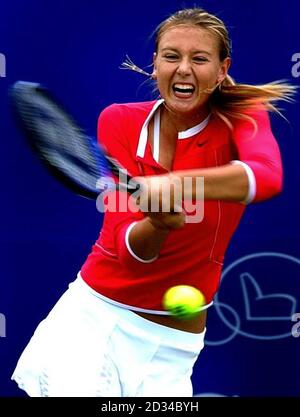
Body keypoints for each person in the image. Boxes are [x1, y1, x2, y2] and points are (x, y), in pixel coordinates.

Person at [12, 7, 295, 397]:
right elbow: (127, 250)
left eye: (199, 59)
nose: (183, 69)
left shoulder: (244, 115)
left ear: (222, 69)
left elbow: (266, 176)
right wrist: (159, 224)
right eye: (171, 56)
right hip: (94, 321)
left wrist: (177, 184)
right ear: (155, 64)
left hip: (173, 350)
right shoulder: (119, 121)